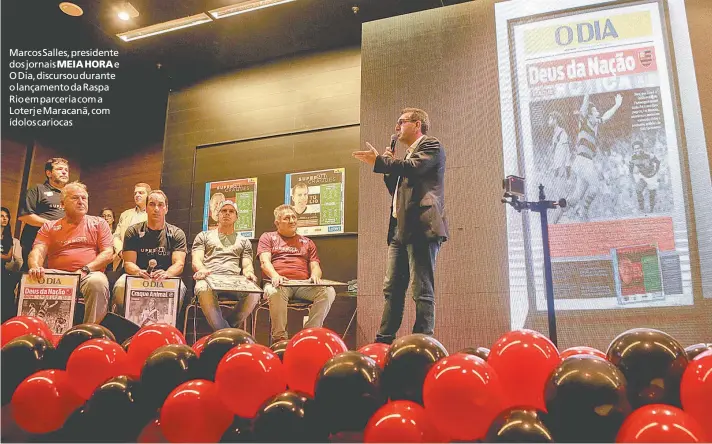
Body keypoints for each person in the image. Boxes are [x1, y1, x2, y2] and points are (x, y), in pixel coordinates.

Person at [353, 107, 448, 344]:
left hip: (421, 226)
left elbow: (414, 169)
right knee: (392, 288)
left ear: (417, 125)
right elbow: (395, 189)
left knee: (421, 288)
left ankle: (421, 340)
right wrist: (386, 165)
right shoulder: (404, 158)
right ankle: (384, 340)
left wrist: (383, 162)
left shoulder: (431, 145)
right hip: (399, 228)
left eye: (401, 122)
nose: (396, 127)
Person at [27, 181, 113, 324]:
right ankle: (35, 329)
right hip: (58, 275)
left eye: (84, 198)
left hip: (87, 274)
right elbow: (38, 250)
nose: (80, 202)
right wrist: (35, 266)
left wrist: (85, 269)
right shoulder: (50, 226)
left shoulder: (98, 223)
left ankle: (90, 330)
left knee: (98, 281)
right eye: (75, 198)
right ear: (62, 204)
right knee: (28, 280)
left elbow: (108, 253)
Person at [257, 204, 335, 342]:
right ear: (277, 223)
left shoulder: (307, 242)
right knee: (274, 291)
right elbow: (264, 262)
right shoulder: (268, 237)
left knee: (328, 292)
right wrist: (275, 275)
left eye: (294, 217)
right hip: (279, 284)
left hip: (302, 285)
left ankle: (308, 335)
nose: (292, 221)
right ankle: (279, 338)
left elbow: (315, 265)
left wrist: (315, 276)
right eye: (287, 218)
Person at [111, 190, 187, 322]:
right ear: (146, 208)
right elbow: (128, 263)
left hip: (165, 278)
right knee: (120, 285)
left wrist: (167, 273)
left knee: (181, 288)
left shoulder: (177, 233)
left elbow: (179, 264)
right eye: (152, 204)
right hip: (137, 276)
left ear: (166, 209)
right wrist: (138, 272)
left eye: (160, 205)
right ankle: (126, 324)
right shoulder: (133, 231)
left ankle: (169, 327)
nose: (156, 209)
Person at [192, 200, 260, 331]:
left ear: (236, 217)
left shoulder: (244, 241)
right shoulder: (203, 236)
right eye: (224, 211)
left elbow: (247, 265)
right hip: (210, 279)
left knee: (254, 292)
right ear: (217, 215)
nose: (227, 214)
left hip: (234, 281)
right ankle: (227, 332)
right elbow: (196, 260)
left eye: (231, 211)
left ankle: (226, 330)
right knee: (201, 287)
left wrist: (249, 273)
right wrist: (201, 270)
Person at [565, 93, 623, 221]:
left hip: (584, 162)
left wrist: (617, 105)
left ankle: (559, 210)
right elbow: (584, 108)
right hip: (583, 161)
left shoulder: (595, 123)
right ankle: (583, 211)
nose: (598, 112)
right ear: (589, 114)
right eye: (595, 110)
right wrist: (587, 94)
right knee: (595, 187)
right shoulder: (584, 122)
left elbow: (606, 116)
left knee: (576, 196)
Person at [18, 158, 70, 270]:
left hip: (61, 245)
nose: (64, 172)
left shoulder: (70, 194)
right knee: (32, 276)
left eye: (66, 170)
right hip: (36, 243)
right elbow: (25, 216)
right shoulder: (38, 189)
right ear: (49, 173)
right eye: (60, 169)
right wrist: (53, 225)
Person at [112, 182, 151, 271]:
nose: (137, 195)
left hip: (144, 260)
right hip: (123, 259)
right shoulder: (125, 215)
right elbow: (116, 236)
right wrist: (120, 251)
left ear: (148, 196)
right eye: (135, 193)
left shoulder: (152, 215)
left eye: (141, 193)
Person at [1, 207, 23, 321]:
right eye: (1, 216)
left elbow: (11, 258)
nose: (4, 219)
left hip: (5, 273)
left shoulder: (12, 240)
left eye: (6, 216)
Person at [629, 141, 661, 213]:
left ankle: (652, 210)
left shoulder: (649, 155)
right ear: (633, 150)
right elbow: (630, 169)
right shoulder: (633, 158)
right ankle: (642, 209)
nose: (637, 150)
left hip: (652, 176)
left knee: (652, 194)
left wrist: (656, 171)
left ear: (642, 148)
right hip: (643, 177)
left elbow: (658, 162)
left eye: (638, 148)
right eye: (635, 149)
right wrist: (633, 175)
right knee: (638, 190)